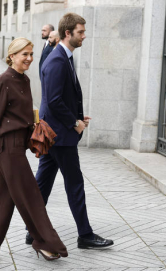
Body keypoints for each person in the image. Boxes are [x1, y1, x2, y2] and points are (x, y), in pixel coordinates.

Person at [0, 37, 68, 261]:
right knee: (31, 196)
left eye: (31, 54)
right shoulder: (2, 82)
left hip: (17, 147)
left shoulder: (24, 80)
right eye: (25, 55)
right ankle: (44, 242)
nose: (30, 59)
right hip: (6, 148)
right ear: (12, 56)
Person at [27, 13, 115, 249]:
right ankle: (85, 235)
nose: (84, 36)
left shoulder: (64, 57)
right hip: (59, 137)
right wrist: (74, 123)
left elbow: (59, 98)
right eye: (80, 32)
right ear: (68, 33)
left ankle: (31, 229)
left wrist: (77, 117)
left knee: (42, 183)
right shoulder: (57, 60)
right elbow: (53, 100)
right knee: (74, 184)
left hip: (54, 133)